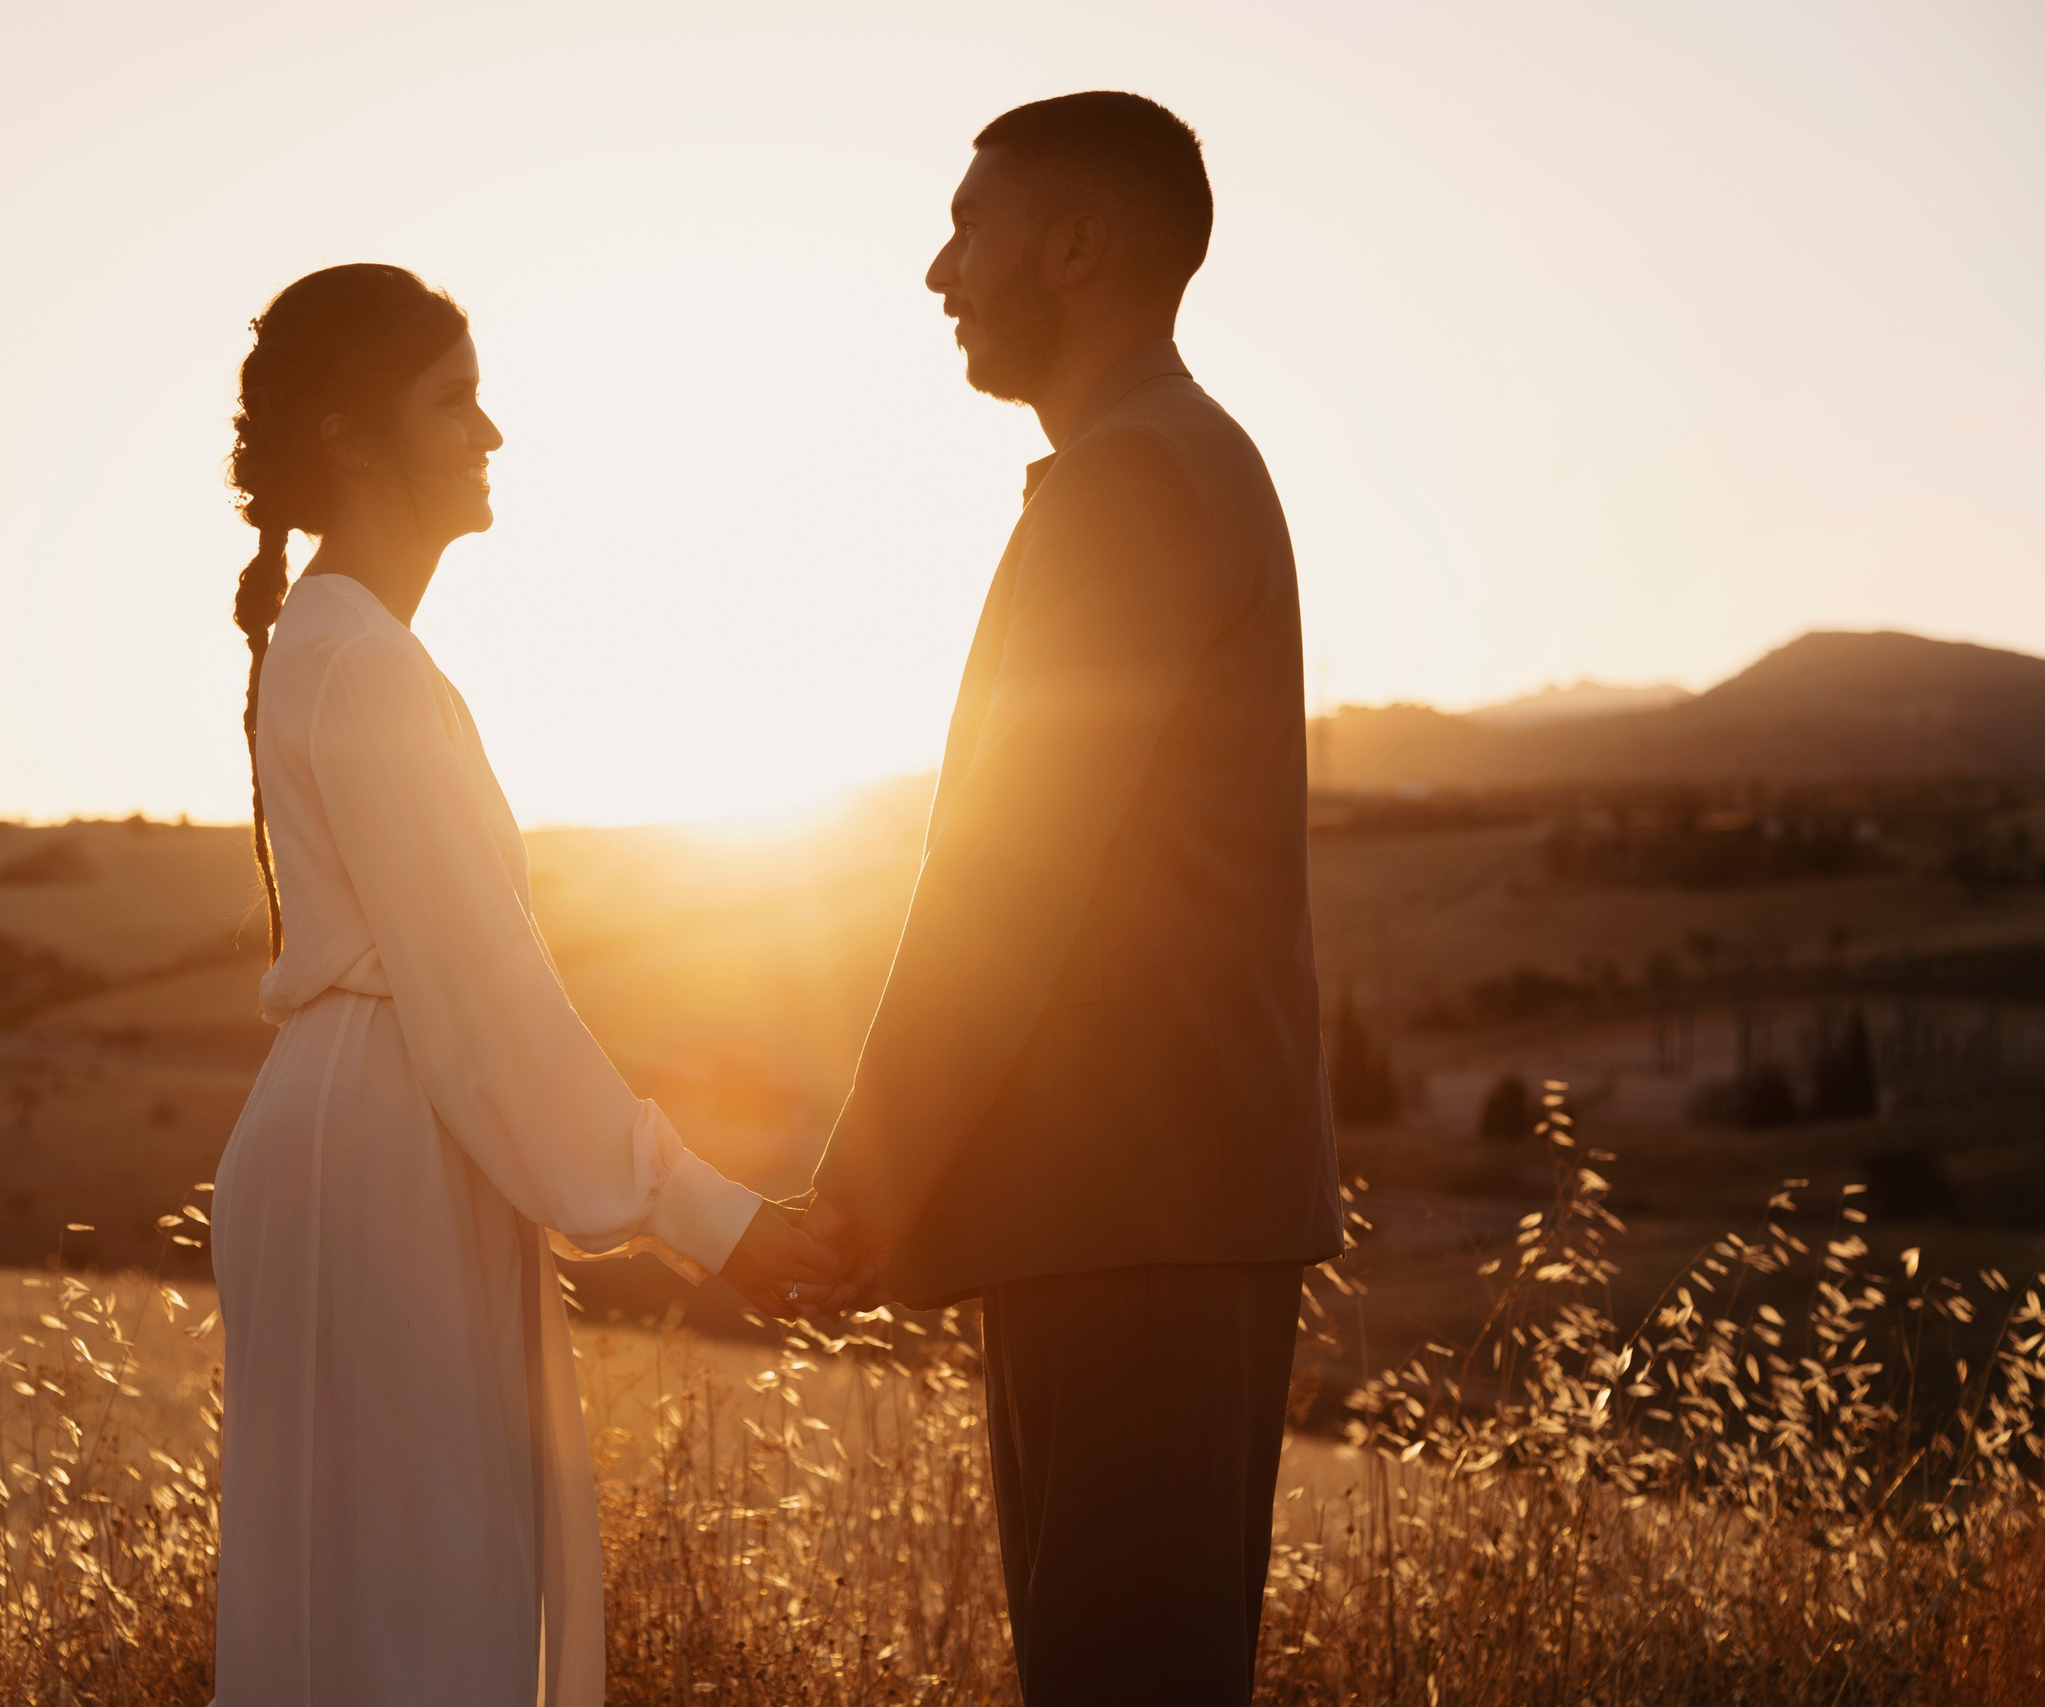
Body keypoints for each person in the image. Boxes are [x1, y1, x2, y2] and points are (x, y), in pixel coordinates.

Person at [205, 264, 841, 1707]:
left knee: (368, 1605)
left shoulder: (343, 646)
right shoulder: (361, 662)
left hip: (357, 1139)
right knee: (418, 1609)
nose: (490, 436)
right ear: (351, 437)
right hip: (387, 1153)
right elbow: (486, 1002)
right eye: (456, 403)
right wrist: (706, 1212)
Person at [802, 94, 1345, 1703]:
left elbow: (1006, 875)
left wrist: (863, 1184)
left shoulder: (1133, 483)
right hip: (1131, 1212)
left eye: (969, 224)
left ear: (1080, 246)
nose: (936, 269)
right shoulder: (1170, 466)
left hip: (1137, 1216)